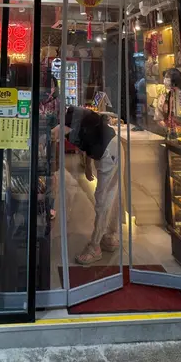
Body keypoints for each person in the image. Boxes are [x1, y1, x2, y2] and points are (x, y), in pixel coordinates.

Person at [53, 105, 120, 265]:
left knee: (103, 199)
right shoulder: (75, 117)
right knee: (112, 194)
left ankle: (95, 247)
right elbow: (90, 139)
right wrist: (88, 165)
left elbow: (88, 138)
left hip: (109, 152)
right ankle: (109, 236)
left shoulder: (70, 124)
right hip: (110, 147)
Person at [155, 67, 181, 140]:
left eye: (167, 77)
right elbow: (158, 117)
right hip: (169, 134)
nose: (165, 80)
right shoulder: (164, 96)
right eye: (165, 77)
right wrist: (168, 129)